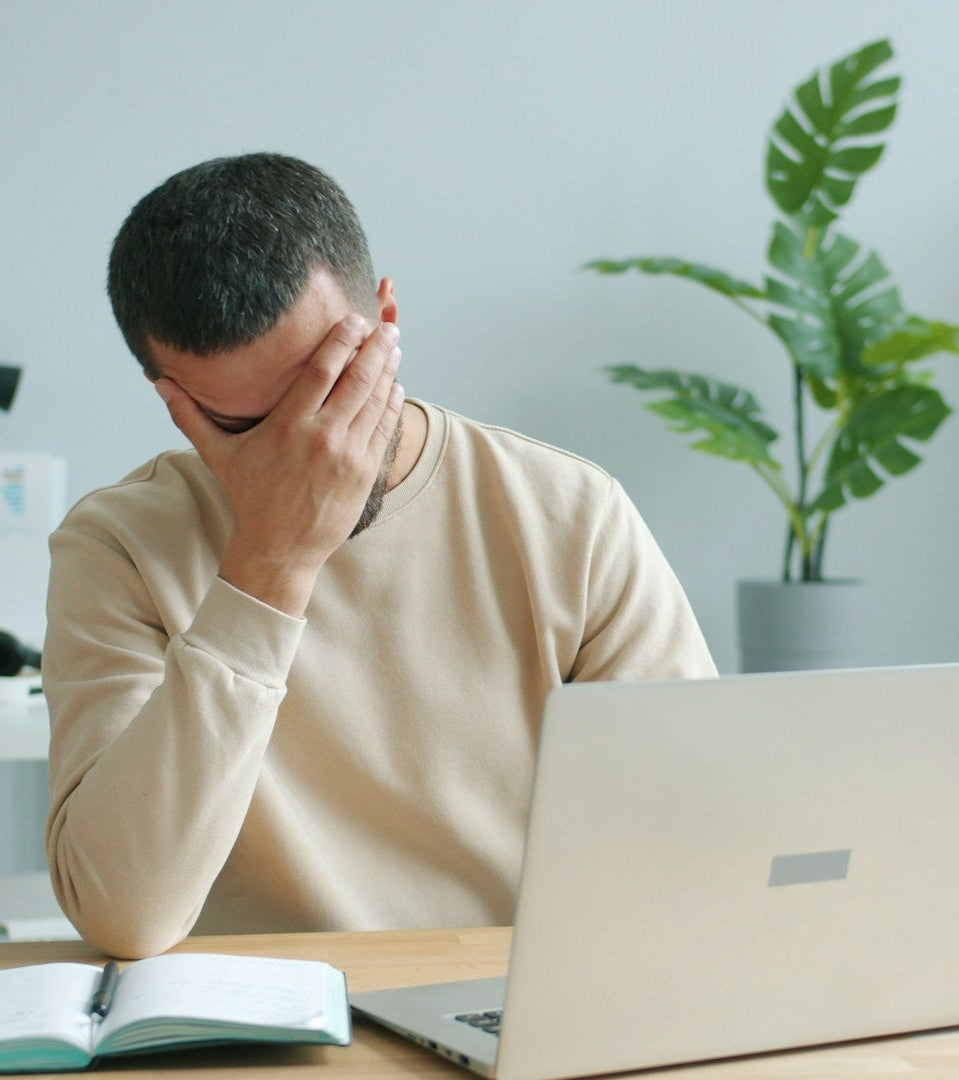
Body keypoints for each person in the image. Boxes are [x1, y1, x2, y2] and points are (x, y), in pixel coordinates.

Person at [43, 153, 717, 959]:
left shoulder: (568, 512)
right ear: (173, 399)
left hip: (509, 1002)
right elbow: (127, 914)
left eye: (328, 390)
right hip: (261, 1028)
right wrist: (269, 566)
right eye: (246, 427)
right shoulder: (117, 547)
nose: (310, 447)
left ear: (386, 321)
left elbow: (695, 848)